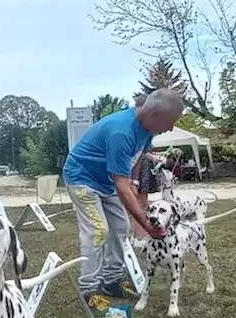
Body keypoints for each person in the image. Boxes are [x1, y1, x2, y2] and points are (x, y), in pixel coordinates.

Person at [64, 90, 184, 301]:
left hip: (106, 180)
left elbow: (138, 155)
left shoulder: (146, 129)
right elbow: (121, 186)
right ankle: (89, 290)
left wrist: (135, 181)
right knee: (98, 230)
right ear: (154, 114)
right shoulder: (122, 131)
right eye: (170, 121)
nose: (170, 128)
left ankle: (111, 282)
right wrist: (147, 226)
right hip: (82, 178)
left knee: (120, 226)